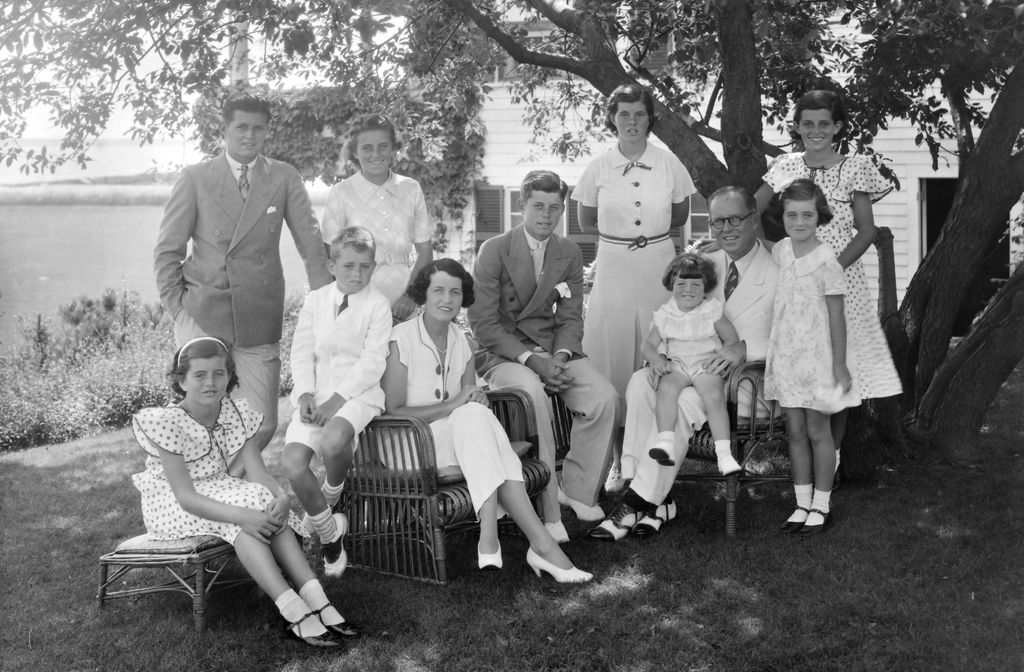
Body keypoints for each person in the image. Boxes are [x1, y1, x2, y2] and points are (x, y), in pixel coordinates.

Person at [130, 337, 359, 647]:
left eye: (219, 374)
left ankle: (316, 598)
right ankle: (293, 611)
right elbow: (185, 497)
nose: (210, 382)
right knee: (245, 515)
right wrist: (244, 516)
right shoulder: (167, 422)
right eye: (199, 375)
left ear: (229, 377)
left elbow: (258, 473)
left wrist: (280, 497)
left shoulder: (233, 411)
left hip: (219, 489)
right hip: (171, 502)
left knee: (262, 500)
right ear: (181, 381)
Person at [381, 259, 592, 583]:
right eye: (438, 290)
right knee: (474, 419)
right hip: (409, 443)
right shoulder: (402, 339)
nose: (446, 299)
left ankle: (502, 539)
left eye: (455, 292)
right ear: (423, 294)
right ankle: (533, 543)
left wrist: (475, 397)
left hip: (458, 438)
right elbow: (393, 410)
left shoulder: (460, 340)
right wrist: (457, 404)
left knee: (476, 412)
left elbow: (468, 395)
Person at [589, 186, 779, 541]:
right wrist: (660, 357)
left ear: (754, 220)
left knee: (681, 401)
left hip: (746, 385)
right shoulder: (707, 266)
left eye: (735, 218)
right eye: (717, 220)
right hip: (693, 371)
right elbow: (678, 318)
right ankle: (654, 494)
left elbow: (797, 339)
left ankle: (636, 503)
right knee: (640, 382)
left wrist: (746, 348)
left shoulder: (780, 269)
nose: (726, 228)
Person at [154, 91, 333, 454]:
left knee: (262, 424)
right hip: (203, 313)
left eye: (258, 128)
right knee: (202, 422)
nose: (249, 135)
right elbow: (167, 252)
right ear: (225, 129)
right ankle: (215, 503)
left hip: (258, 315)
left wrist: (328, 307)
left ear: (267, 132)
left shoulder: (283, 177)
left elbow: (312, 244)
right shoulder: (195, 178)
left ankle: (224, 489)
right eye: (241, 128)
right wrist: (179, 310)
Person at [756, 89, 902, 478]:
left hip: (842, 278)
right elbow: (750, 209)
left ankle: (831, 458)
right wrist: (769, 248)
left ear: (837, 126)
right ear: (797, 128)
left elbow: (866, 230)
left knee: (840, 372)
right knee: (807, 361)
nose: (816, 131)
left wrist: (831, 267)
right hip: (797, 282)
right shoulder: (786, 165)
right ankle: (816, 460)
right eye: (808, 124)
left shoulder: (854, 166)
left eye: (824, 124)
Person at [469, 169, 620, 543]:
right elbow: (483, 325)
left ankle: (578, 489)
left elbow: (570, 316)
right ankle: (550, 509)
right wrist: (532, 361)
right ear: (522, 206)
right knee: (534, 395)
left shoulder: (568, 251)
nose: (546, 215)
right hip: (503, 354)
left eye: (555, 208)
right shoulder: (494, 250)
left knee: (605, 398)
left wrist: (562, 358)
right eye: (538, 206)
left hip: (555, 351)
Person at [572, 84, 695, 490]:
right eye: (623, 114)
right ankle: (612, 461)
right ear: (612, 119)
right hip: (613, 264)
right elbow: (587, 221)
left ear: (650, 118)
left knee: (660, 347)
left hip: (659, 262)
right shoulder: (598, 167)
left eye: (639, 114)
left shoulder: (668, 163)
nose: (631, 122)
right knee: (612, 352)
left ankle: (653, 458)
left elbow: (679, 214)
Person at [280, 227, 392, 577]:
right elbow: (300, 353)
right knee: (294, 464)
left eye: (364, 266)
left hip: (359, 394)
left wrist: (336, 401)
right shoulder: (315, 300)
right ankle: (331, 534)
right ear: (331, 265)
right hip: (317, 394)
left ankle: (328, 498)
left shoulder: (378, 304)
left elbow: (373, 361)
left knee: (333, 439)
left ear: (374, 267)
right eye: (348, 266)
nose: (356, 274)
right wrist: (306, 395)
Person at [767, 179, 858, 534]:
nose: (799, 222)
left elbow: (837, 315)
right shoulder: (782, 250)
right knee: (796, 432)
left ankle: (822, 504)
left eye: (807, 215)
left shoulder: (827, 261)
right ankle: (801, 503)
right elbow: (758, 245)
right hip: (788, 357)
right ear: (783, 216)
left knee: (819, 431)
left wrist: (838, 365)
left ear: (819, 217)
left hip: (819, 360)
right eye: (792, 215)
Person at [320, 113, 434, 322]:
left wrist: (411, 296)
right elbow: (330, 254)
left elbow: (425, 251)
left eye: (383, 146)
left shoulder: (411, 188)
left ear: (393, 148)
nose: (376, 154)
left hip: (404, 301)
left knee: (403, 354)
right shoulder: (341, 192)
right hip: (357, 301)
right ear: (355, 151)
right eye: (367, 148)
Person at [642, 253, 742, 475]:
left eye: (696, 284)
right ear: (671, 285)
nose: (688, 289)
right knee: (666, 388)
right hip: (677, 363)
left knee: (713, 396)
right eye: (681, 283)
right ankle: (666, 442)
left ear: (706, 288)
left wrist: (723, 357)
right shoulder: (666, 314)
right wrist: (656, 359)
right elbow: (647, 345)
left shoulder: (711, 311)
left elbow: (732, 339)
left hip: (704, 363)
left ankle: (724, 454)